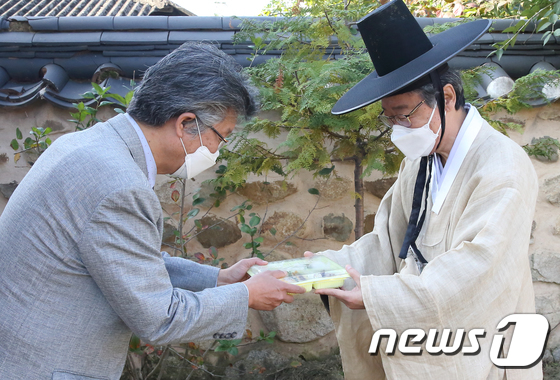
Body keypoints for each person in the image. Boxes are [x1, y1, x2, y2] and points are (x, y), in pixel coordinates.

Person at [0, 42, 305, 379]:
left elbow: (126, 261)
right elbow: (159, 319)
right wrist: (246, 294)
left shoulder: (89, 145)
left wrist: (219, 279)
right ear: (186, 123)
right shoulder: (118, 184)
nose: (219, 150)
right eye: (223, 136)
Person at [305, 1, 541, 379]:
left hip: (479, 345)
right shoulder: (420, 162)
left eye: (405, 114)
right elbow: (388, 241)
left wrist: (376, 295)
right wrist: (328, 269)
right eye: (390, 118)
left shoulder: (503, 166)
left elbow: (477, 268)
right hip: (422, 339)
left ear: (447, 98)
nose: (398, 128)